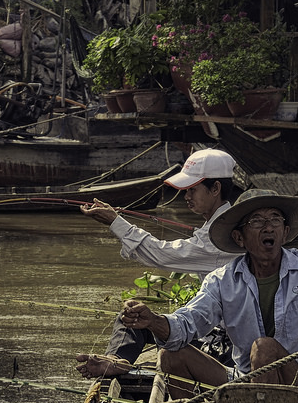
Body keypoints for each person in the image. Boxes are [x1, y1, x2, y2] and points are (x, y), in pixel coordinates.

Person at [114, 187, 298, 399]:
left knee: (264, 348)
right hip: (245, 383)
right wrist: (153, 321)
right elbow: (187, 324)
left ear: (284, 232)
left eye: (275, 220)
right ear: (239, 238)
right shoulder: (222, 280)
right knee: (170, 356)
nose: (268, 227)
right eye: (257, 221)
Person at [73, 148, 241, 378]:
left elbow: (162, 255)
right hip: (205, 326)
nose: (186, 197)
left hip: (221, 341)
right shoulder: (214, 229)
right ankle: (117, 362)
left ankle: (124, 368)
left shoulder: (220, 237)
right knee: (128, 320)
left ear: (215, 188)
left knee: (143, 324)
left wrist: (115, 222)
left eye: (192, 189)